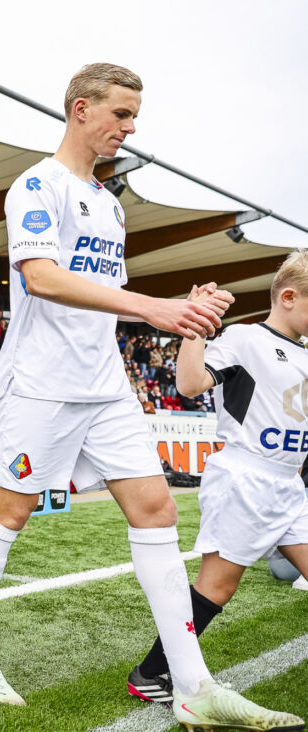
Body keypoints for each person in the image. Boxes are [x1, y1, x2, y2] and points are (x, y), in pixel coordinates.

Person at [0, 61, 300, 730]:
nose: (129, 128)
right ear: (81, 109)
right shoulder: (36, 185)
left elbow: (105, 298)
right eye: (120, 114)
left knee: (157, 508)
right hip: (42, 382)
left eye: (134, 116)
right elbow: (44, 278)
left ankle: (192, 685)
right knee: (9, 510)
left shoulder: (110, 204)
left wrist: (182, 308)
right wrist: (155, 307)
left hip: (104, 383)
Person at [125, 255, 308, 725]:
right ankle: (151, 672)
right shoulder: (246, 339)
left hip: (290, 485)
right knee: (217, 588)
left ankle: (155, 668)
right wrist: (196, 328)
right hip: (245, 479)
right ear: (288, 297)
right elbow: (189, 383)